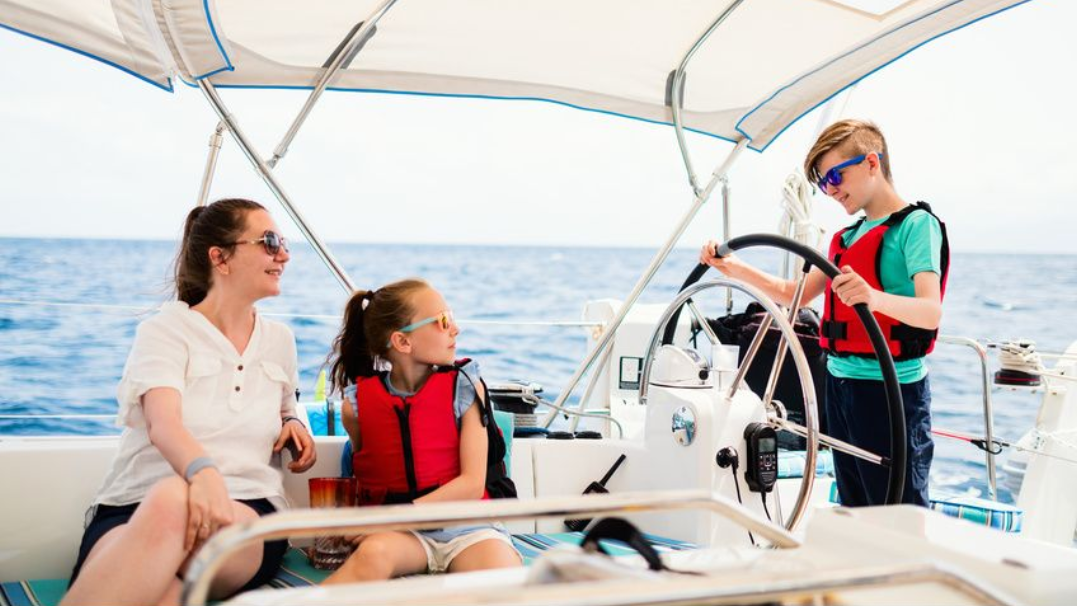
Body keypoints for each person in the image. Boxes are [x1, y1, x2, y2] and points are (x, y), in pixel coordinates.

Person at [62, 198, 317, 606]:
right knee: (166, 587)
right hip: (133, 506)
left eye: (283, 242)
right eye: (270, 241)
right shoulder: (165, 330)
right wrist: (203, 475)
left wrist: (296, 424)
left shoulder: (281, 341)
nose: (284, 254)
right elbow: (164, 424)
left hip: (245, 511)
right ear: (221, 257)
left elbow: (288, 405)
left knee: (170, 499)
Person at [700, 119, 948, 507]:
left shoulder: (916, 227)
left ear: (871, 163)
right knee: (854, 502)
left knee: (897, 507)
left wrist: (873, 298)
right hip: (839, 387)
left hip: (891, 391)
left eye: (835, 176)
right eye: (822, 183)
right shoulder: (846, 238)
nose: (830, 190)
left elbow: (930, 312)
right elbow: (791, 295)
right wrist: (732, 268)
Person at [323, 278, 521, 584]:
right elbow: (366, 472)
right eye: (443, 321)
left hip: (467, 528)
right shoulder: (357, 407)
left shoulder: (466, 388)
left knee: (503, 578)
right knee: (372, 556)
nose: (455, 328)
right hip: (402, 535)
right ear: (403, 342)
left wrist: (392, 516)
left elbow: (471, 484)